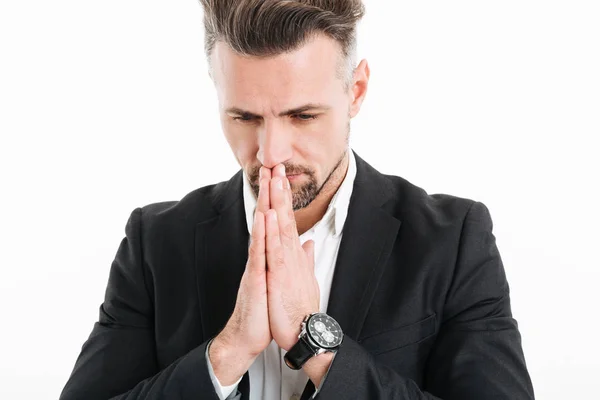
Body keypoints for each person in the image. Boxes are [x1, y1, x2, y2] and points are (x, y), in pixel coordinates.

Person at [59, 1, 534, 399]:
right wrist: (225, 354)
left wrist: (318, 345)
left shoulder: (452, 240)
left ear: (357, 91)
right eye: (244, 117)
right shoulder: (156, 242)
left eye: (303, 116)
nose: (271, 153)